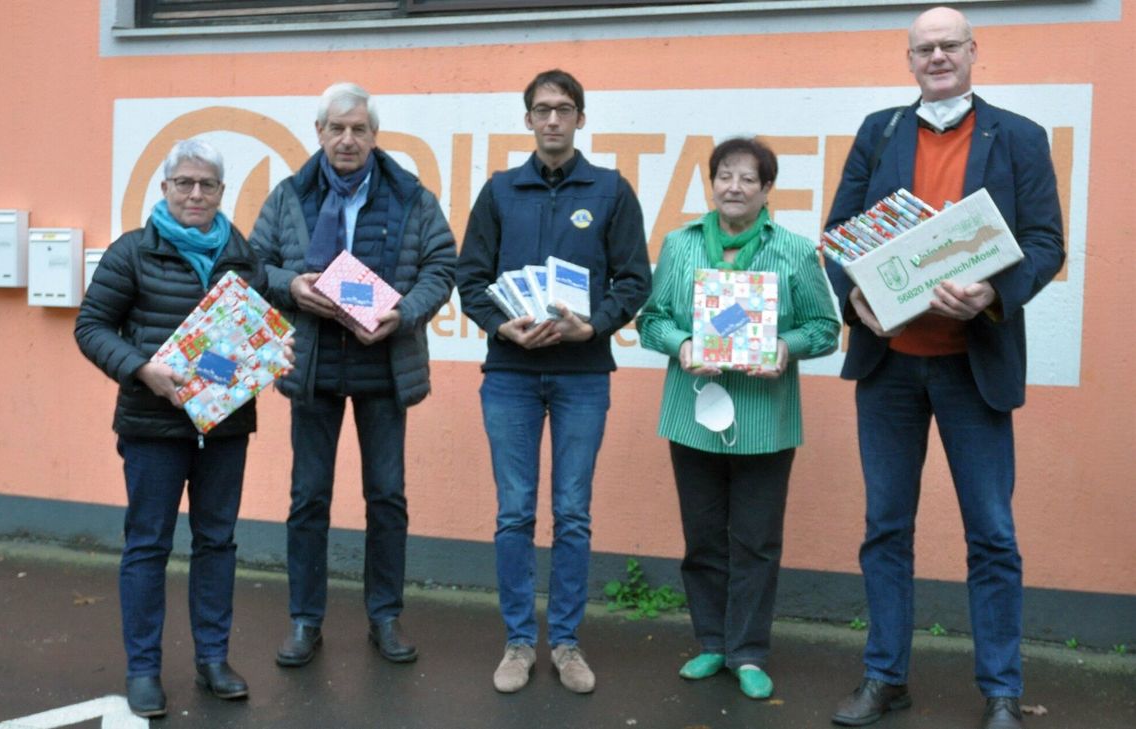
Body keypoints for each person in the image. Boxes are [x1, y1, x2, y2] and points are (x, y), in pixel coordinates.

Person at [823, 7, 1065, 729]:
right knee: (885, 528)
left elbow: (1046, 242)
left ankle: (1000, 692)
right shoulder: (881, 132)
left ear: (972, 52)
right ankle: (884, 677)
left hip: (974, 366)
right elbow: (839, 237)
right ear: (909, 59)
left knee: (992, 532)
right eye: (923, 48)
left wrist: (993, 291)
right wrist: (856, 295)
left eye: (948, 45)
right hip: (890, 364)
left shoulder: (1018, 136)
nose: (937, 56)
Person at [456, 69, 651, 694]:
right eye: (541, 110)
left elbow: (634, 282)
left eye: (564, 109)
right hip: (510, 373)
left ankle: (565, 642)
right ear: (528, 119)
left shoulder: (613, 190)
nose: (552, 120)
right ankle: (518, 641)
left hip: (581, 376)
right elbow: (470, 279)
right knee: (514, 514)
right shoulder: (499, 192)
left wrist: (591, 327)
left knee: (572, 514)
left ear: (581, 119)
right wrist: (502, 329)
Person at [249, 82, 456, 668]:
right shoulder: (289, 196)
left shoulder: (412, 197)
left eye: (358, 129)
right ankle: (304, 620)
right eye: (336, 128)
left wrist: (405, 313)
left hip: (384, 367)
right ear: (319, 132)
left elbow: (443, 266)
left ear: (374, 136)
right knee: (308, 498)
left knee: (386, 497)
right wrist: (290, 285)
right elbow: (253, 263)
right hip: (312, 366)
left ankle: (385, 617)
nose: (347, 139)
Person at [636, 137, 839, 700]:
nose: (734, 187)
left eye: (748, 178)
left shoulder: (795, 251)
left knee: (755, 542)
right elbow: (649, 320)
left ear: (767, 189)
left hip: (763, 421)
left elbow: (826, 328)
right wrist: (679, 344)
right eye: (725, 175)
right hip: (691, 414)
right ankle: (711, 644)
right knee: (702, 539)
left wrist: (785, 347)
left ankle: (748, 651)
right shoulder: (679, 246)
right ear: (711, 182)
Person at [74, 138, 268, 718]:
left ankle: (212, 660)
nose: (195, 193)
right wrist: (140, 369)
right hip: (152, 426)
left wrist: (263, 360)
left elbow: (254, 332)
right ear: (164, 189)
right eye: (183, 183)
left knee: (217, 543)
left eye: (207, 185)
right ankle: (143, 670)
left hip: (225, 428)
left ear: (221, 193)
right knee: (148, 546)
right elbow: (91, 326)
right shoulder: (132, 253)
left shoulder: (243, 254)